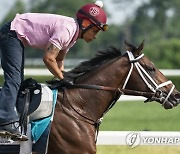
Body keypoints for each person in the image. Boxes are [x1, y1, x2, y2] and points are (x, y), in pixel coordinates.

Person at [0, 1, 108, 141]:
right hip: (12, 33)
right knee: (14, 80)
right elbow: (48, 58)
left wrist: (63, 79)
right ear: (86, 24)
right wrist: (63, 79)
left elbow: (58, 61)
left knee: (17, 80)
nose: (95, 36)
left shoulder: (72, 36)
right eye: (95, 31)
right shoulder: (67, 30)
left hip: (15, 36)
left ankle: (11, 118)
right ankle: (5, 120)